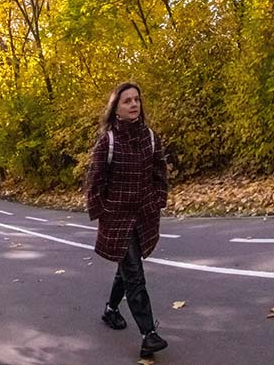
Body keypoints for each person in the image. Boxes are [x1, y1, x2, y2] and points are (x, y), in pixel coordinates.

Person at [85, 82, 169, 359]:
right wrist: (102, 213)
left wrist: (158, 200)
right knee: (135, 274)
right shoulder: (108, 142)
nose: (133, 104)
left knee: (127, 267)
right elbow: (95, 180)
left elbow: (160, 172)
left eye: (136, 100)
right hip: (118, 218)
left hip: (143, 216)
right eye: (127, 101)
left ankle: (110, 310)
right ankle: (149, 334)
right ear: (116, 110)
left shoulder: (150, 137)